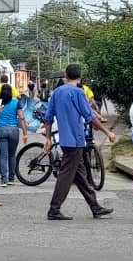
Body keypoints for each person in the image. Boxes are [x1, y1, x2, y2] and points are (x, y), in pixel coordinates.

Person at [41, 65, 116, 221]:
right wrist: (107, 132)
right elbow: (90, 116)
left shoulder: (57, 93)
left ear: (66, 76)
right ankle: (54, 209)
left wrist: (48, 138)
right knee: (66, 175)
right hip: (75, 140)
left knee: (80, 175)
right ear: (80, 76)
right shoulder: (79, 93)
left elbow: (48, 117)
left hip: (66, 140)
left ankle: (95, 206)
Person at [0, 83, 28, 187]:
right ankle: (11, 178)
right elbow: (22, 117)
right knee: (12, 155)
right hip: (13, 129)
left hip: (1, 129)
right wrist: (25, 133)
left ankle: (3, 179)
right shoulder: (16, 102)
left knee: (3, 156)